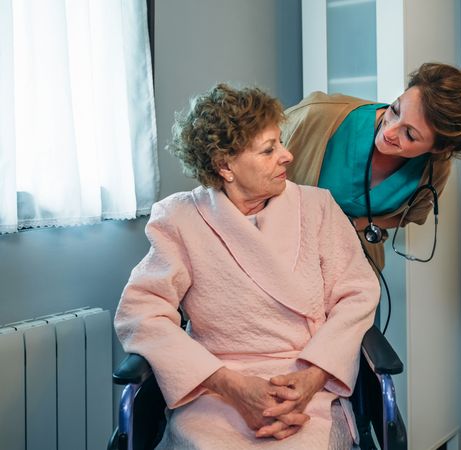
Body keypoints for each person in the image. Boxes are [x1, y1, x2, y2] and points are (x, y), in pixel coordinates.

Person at [114, 84, 379, 449]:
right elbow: (140, 314)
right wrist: (229, 384)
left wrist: (316, 376)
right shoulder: (180, 219)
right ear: (225, 166)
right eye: (269, 150)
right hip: (216, 389)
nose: (287, 156)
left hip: (303, 384)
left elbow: (358, 294)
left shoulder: (318, 208)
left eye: (280, 143)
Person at [282, 62, 461, 269]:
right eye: (395, 110)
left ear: (438, 149)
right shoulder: (317, 115)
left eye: (410, 135)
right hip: (281, 258)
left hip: (349, 278)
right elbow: (251, 162)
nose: (389, 131)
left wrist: (358, 223)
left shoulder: (434, 169)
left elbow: (409, 215)